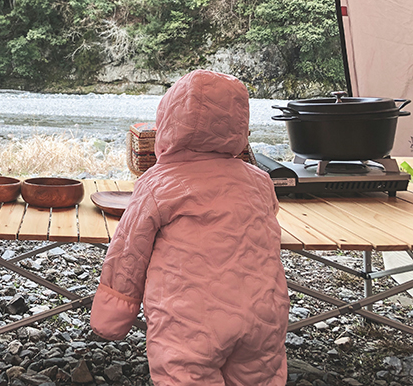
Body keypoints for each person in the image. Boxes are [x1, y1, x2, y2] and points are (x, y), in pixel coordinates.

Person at [90, 69, 289, 385]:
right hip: (264, 313)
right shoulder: (259, 181)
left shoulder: (157, 184)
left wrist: (113, 312)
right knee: (258, 378)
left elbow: (128, 250)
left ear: (168, 123)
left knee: (185, 375)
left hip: (190, 319)